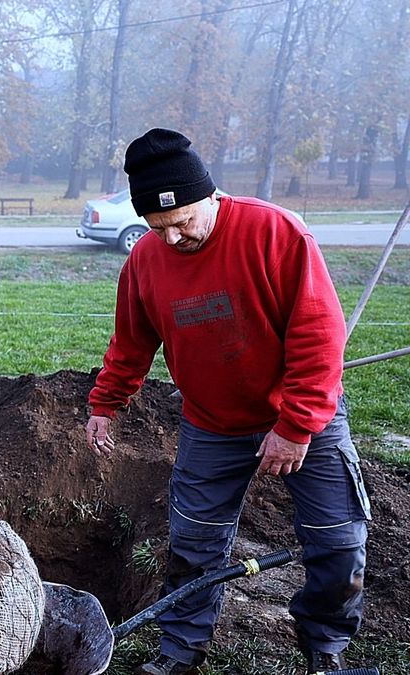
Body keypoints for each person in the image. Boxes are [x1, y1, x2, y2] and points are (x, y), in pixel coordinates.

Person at [84, 128, 371, 675]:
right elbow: (131, 342)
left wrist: (296, 425)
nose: (171, 239)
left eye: (183, 222)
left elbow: (319, 335)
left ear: (211, 196)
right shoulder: (147, 259)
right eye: (156, 227)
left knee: (338, 542)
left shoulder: (275, 232)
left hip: (304, 415)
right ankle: (180, 652)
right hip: (212, 424)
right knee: (194, 542)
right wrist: (106, 402)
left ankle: (325, 648)